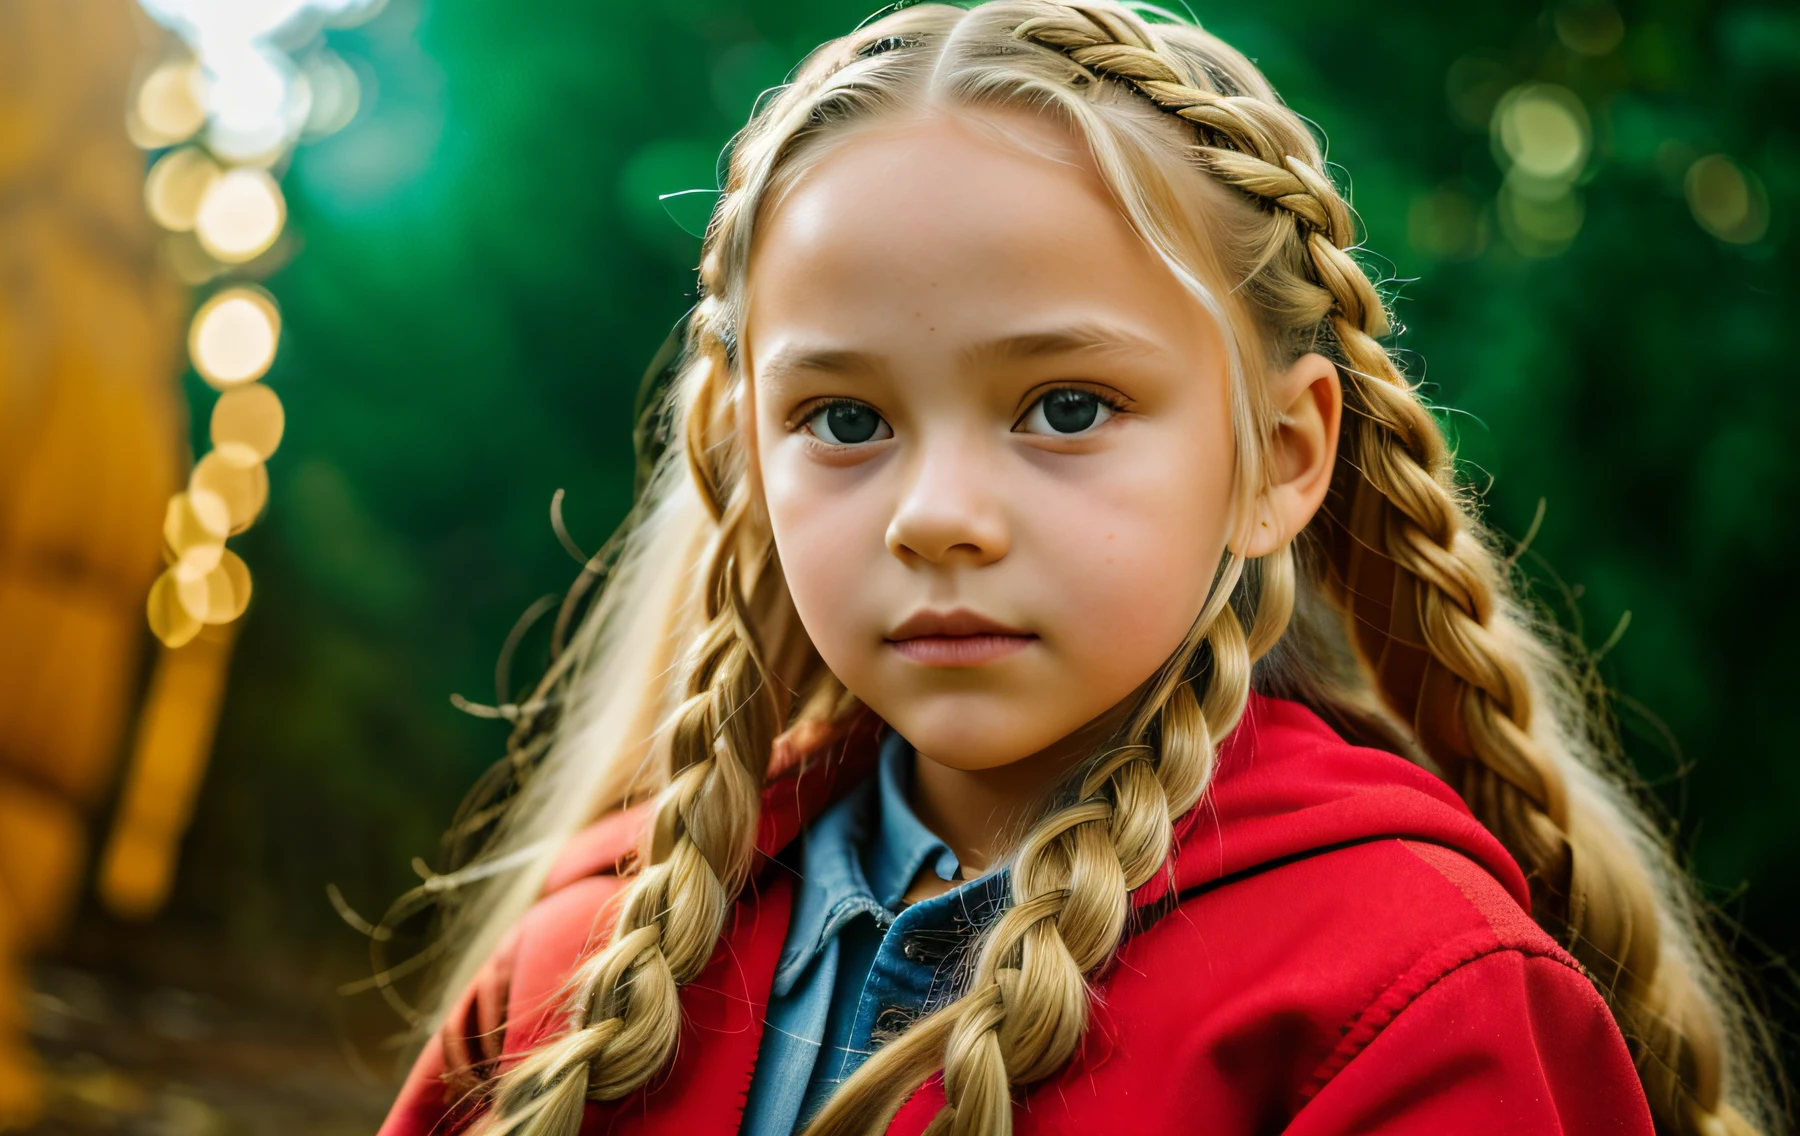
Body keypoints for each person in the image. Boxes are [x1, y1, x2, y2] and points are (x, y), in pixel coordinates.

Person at [378, 3, 1775, 1133]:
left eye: (1065, 407)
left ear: (1282, 458)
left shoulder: (1415, 1002)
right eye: (846, 420)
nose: (936, 517)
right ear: (748, 453)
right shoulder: (587, 954)